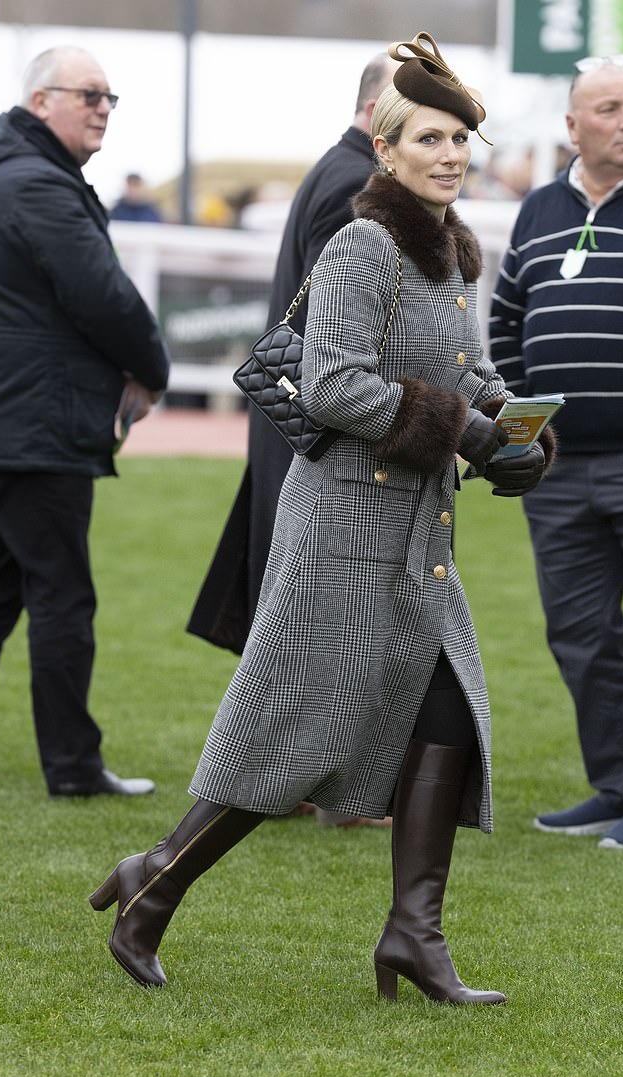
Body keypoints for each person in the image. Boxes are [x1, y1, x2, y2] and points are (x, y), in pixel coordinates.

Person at [90, 31, 554, 1002]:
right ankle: (154, 887)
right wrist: (465, 430)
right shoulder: (362, 241)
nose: (450, 154)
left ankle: (412, 936)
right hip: (342, 526)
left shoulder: (451, 249)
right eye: (429, 138)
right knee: (292, 735)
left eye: (460, 139)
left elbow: (467, 374)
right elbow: (336, 387)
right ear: (386, 149)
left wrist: (515, 434)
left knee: (448, 715)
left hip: (416, 535)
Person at [187, 51, 398, 828]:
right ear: (381, 113)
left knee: (297, 615)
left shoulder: (334, 168)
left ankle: (297, 777)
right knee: (316, 616)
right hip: (324, 431)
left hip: (296, 425)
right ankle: (300, 780)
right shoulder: (355, 183)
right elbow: (347, 326)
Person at [0, 47, 170, 797]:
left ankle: (73, 760)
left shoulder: (18, 175)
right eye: (89, 94)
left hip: (14, 420)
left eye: (111, 98)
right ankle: (72, 767)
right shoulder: (36, 183)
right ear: (41, 103)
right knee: (62, 595)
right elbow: (103, 296)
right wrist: (153, 369)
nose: (103, 107)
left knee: (1, 593)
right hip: (35, 425)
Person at [489, 55, 623, 852]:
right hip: (561, 468)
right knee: (581, 634)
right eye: (608, 108)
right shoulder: (539, 209)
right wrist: (515, 436)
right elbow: (505, 326)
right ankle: (616, 785)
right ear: (573, 126)